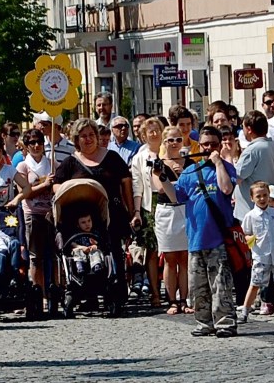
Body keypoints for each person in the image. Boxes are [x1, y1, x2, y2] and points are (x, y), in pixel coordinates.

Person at [153, 126, 238, 338]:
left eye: (213, 144)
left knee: (221, 285)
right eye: (205, 144)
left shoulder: (226, 167)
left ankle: (225, 322)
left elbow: (227, 189)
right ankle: (204, 322)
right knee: (198, 286)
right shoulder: (190, 172)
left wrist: (218, 162)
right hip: (195, 239)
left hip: (218, 238)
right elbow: (175, 197)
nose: (209, 148)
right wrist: (162, 177)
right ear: (198, 146)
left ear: (220, 145)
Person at [53, 118, 134, 310]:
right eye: (83, 136)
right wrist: (67, 189)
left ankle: (116, 293)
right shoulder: (70, 162)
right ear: (76, 139)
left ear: (98, 137)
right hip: (82, 217)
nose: (88, 139)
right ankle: (86, 294)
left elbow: (126, 184)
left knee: (114, 252)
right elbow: (56, 184)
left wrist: (132, 211)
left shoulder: (112, 157)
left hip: (110, 212)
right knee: (83, 251)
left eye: (91, 135)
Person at [239, 181, 274, 323]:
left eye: (265, 195)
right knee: (255, 283)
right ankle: (245, 311)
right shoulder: (250, 216)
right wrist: (249, 238)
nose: (262, 199)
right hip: (261, 256)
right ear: (252, 198)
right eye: (258, 196)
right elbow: (244, 234)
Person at [152, 126, 194, 315]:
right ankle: (171, 300)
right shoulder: (157, 164)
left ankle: (184, 299)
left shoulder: (191, 162)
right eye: (171, 140)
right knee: (170, 258)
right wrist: (173, 175)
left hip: (185, 210)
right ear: (164, 142)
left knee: (185, 258)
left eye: (178, 139)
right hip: (167, 212)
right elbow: (160, 188)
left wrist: (182, 173)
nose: (175, 143)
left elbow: (193, 186)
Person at [16, 129, 57, 304]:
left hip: (51, 213)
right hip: (32, 214)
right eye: (32, 142)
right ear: (26, 146)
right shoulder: (23, 166)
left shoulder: (52, 162)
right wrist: (44, 185)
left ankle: (55, 291)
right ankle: (39, 293)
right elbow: (23, 192)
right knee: (36, 257)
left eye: (39, 141)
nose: (36, 145)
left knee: (54, 255)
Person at [131, 117, 165, 308]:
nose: (154, 134)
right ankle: (154, 292)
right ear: (143, 135)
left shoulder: (168, 152)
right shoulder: (139, 158)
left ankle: (174, 291)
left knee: (171, 251)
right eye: (149, 131)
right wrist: (137, 212)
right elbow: (137, 187)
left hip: (168, 201)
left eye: (157, 130)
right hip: (148, 204)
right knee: (151, 251)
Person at [234, 110, 274, 221]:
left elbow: (236, 177)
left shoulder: (252, 150)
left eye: (243, 127)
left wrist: (227, 157)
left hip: (251, 213)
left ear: (249, 129)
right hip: (267, 210)